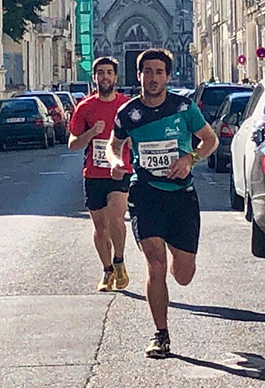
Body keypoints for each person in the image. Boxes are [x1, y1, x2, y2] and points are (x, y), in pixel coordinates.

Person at [106, 48, 217, 359]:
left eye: (159, 72)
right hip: (145, 193)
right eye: (147, 72)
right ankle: (161, 334)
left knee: (183, 274)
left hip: (181, 196)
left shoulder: (184, 108)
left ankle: (177, 256)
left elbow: (210, 140)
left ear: (168, 76)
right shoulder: (128, 113)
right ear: (138, 75)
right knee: (155, 263)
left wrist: (189, 158)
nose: (153, 78)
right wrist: (116, 161)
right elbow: (113, 145)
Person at [67, 56, 132, 292]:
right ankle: (107, 271)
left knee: (116, 217)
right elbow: (72, 144)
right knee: (100, 226)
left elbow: (138, 136)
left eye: (109, 72)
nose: (105, 77)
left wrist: (132, 142)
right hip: (94, 172)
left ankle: (120, 260)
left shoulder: (126, 106)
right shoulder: (84, 108)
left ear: (116, 77)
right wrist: (92, 133)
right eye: (100, 73)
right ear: (94, 78)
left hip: (120, 170)